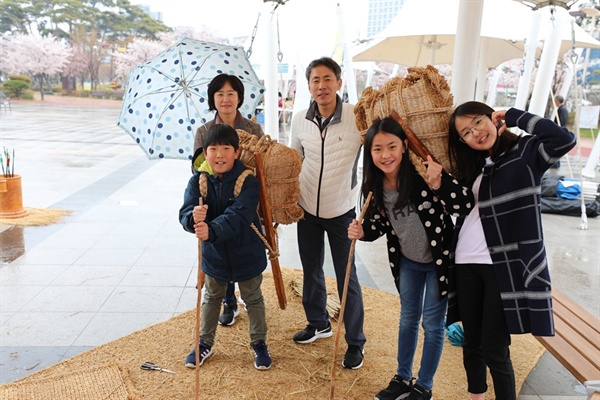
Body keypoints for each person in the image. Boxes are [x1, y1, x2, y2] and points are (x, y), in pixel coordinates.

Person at [446, 101, 576, 400]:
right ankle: (475, 396)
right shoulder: (476, 166)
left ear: (492, 118)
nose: (475, 134)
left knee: (494, 346)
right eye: (465, 132)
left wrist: (516, 116)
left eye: (477, 122)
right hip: (465, 260)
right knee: (472, 343)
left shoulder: (527, 154)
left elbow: (563, 139)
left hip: (500, 265)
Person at [348, 118, 474, 400]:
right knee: (407, 320)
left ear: (404, 147)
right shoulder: (374, 188)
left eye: (392, 146)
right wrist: (361, 230)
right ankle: (402, 378)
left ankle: (424, 385)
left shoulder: (422, 177)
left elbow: (463, 204)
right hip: (407, 262)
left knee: (432, 324)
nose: (385, 155)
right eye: (377, 149)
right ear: (369, 153)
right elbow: (378, 226)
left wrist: (440, 181)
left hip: (438, 265)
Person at [289, 56, 366, 369]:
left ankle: (355, 342)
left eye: (327, 79)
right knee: (311, 269)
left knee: (348, 277)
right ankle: (318, 322)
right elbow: (294, 160)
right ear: (308, 86)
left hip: (342, 211)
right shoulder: (298, 119)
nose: (321, 86)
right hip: (306, 208)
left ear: (339, 82)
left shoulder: (356, 117)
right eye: (315, 81)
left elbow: (378, 153)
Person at [180, 124, 271, 370]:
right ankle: (204, 343)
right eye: (213, 149)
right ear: (205, 153)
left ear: (237, 152)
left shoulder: (248, 181)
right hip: (215, 255)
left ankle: (259, 343)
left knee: (252, 297)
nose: (219, 154)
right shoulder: (197, 181)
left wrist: (212, 230)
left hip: (247, 252)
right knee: (211, 297)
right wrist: (192, 217)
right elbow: (184, 213)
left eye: (226, 148)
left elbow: (239, 214)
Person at [193, 73, 264, 326]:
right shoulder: (204, 132)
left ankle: (249, 299)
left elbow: (261, 165)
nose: (226, 99)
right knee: (219, 254)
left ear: (239, 98)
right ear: (213, 99)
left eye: (231, 94)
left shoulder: (253, 129)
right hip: (214, 201)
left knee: (242, 249)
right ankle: (228, 301)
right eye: (220, 94)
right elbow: (198, 169)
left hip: (245, 199)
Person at [551, 95, 569, 169]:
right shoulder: (562, 109)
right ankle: (555, 163)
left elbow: (562, 121)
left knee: (556, 147)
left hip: (559, 131)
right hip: (559, 131)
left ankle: (556, 164)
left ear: (558, 101)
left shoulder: (562, 109)